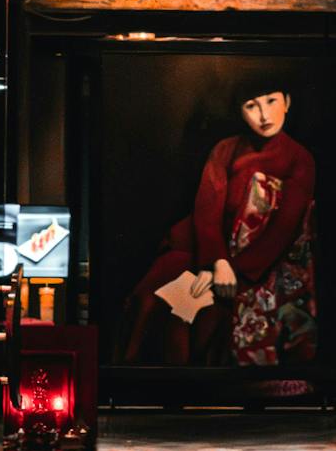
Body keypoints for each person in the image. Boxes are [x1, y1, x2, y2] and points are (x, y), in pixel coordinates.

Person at [120, 85, 317, 366]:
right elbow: (207, 210)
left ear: (286, 101)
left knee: (194, 317)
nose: (263, 114)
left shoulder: (300, 159)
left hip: (258, 262)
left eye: (271, 101)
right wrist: (217, 262)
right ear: (241, 111)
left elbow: (283, 228)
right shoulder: (226, 149)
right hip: (206, 249)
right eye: (251, 106)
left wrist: (232, 269)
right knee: (147, 300)